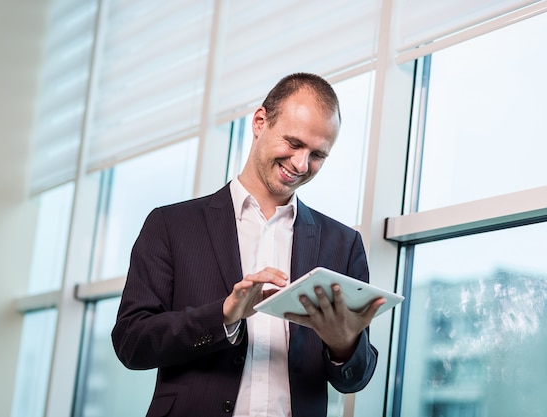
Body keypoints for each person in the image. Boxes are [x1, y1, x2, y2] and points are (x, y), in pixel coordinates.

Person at [111, 72, 385, 417]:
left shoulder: (343, 244)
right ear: (260, 122)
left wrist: (343, 344)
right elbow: (131, 342)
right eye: (294, 143)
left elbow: (354, 379)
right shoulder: (171, 225)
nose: (301, 164)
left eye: (318, 155)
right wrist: (224, 315)